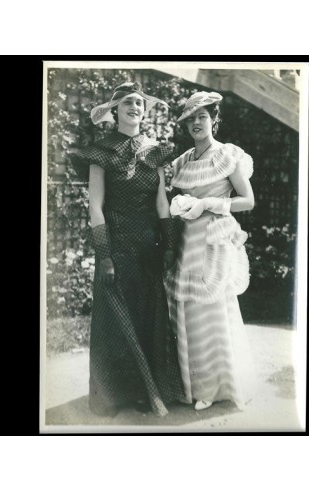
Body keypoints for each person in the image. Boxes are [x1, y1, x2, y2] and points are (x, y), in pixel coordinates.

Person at [69, 81, 184, 417]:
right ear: (115, 111)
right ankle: (112, 396)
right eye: (129, 103)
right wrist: (104, 255)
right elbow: (96, 208)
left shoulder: (157, 151)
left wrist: (168, 245)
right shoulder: (100, 152)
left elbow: (163, 201)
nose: (135, 108)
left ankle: (144, 393)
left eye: (140, 104)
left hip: (148, 248)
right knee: (115, 323)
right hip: (117, 248)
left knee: (148, 319)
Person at [164, 91, 257, 411]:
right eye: (190, 119)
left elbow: (248, 200)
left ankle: (216, 387)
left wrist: (209, 203)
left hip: (214, 240)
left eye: (202, 116)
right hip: (187, 241)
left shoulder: (226, 155)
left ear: (214, 119)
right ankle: (192, 386)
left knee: (213, 312)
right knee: (189, 314)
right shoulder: (183, 161)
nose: (196, 123)